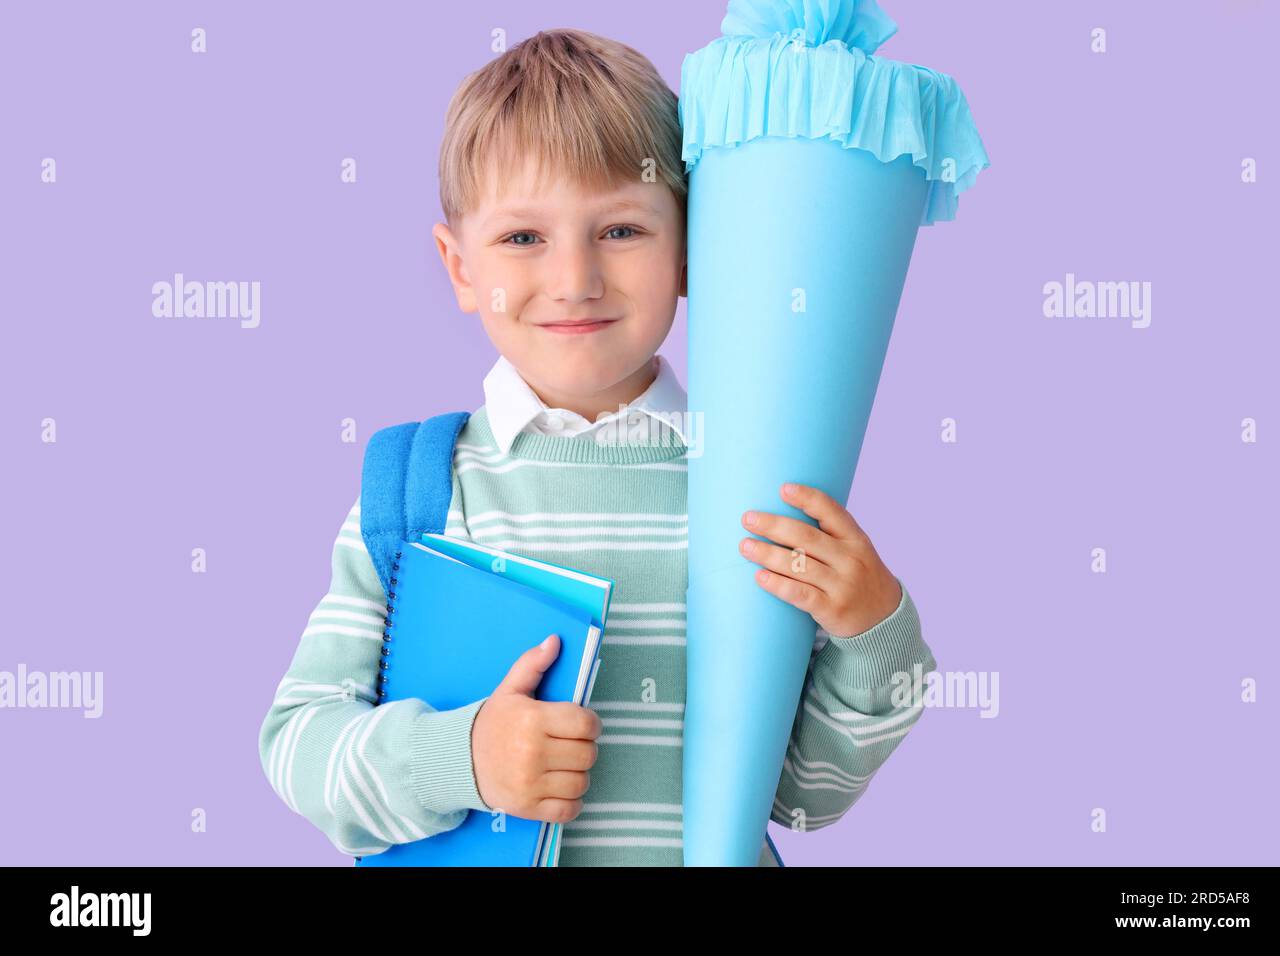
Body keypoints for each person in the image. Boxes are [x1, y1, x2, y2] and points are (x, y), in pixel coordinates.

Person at [257, 27, 937, 866]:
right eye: (522, 239)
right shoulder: (418, 491)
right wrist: (458, 758)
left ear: (696, 247)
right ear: (460, 266)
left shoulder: (750, 489)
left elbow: (803, 797)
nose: (574, 277)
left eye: (620, 230)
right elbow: (298, 745)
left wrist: (875, 632)